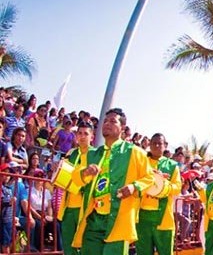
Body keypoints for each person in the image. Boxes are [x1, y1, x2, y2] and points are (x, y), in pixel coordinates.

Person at [71, 108, 154, 255]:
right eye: (105, 121)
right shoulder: (92, 154)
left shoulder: (135, 152)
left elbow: (149, 178)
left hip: (118, 219)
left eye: (113, 121)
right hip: (93, 218)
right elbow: (76, 178)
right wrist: (85, 172)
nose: (107, 124)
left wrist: (133, 187)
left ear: (122, 128)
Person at [136, 134, 181, 255]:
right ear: (149, 145)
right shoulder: (142, 162)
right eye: (154, 143)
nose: (156, 146)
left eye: (159, 143)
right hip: (142, 218)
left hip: (163, 219)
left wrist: (163, 184)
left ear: (165, 145)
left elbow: (177, 188)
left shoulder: (172, 165)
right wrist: (151, 176)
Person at [57, 121, 92, 255]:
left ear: (92, 136)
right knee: (68, 246)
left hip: (85, 208)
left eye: (86, 133)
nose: (82, 136)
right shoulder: (71, 154)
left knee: (84, 247)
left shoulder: (95, 155)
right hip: (68, 207)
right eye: (80, 133)